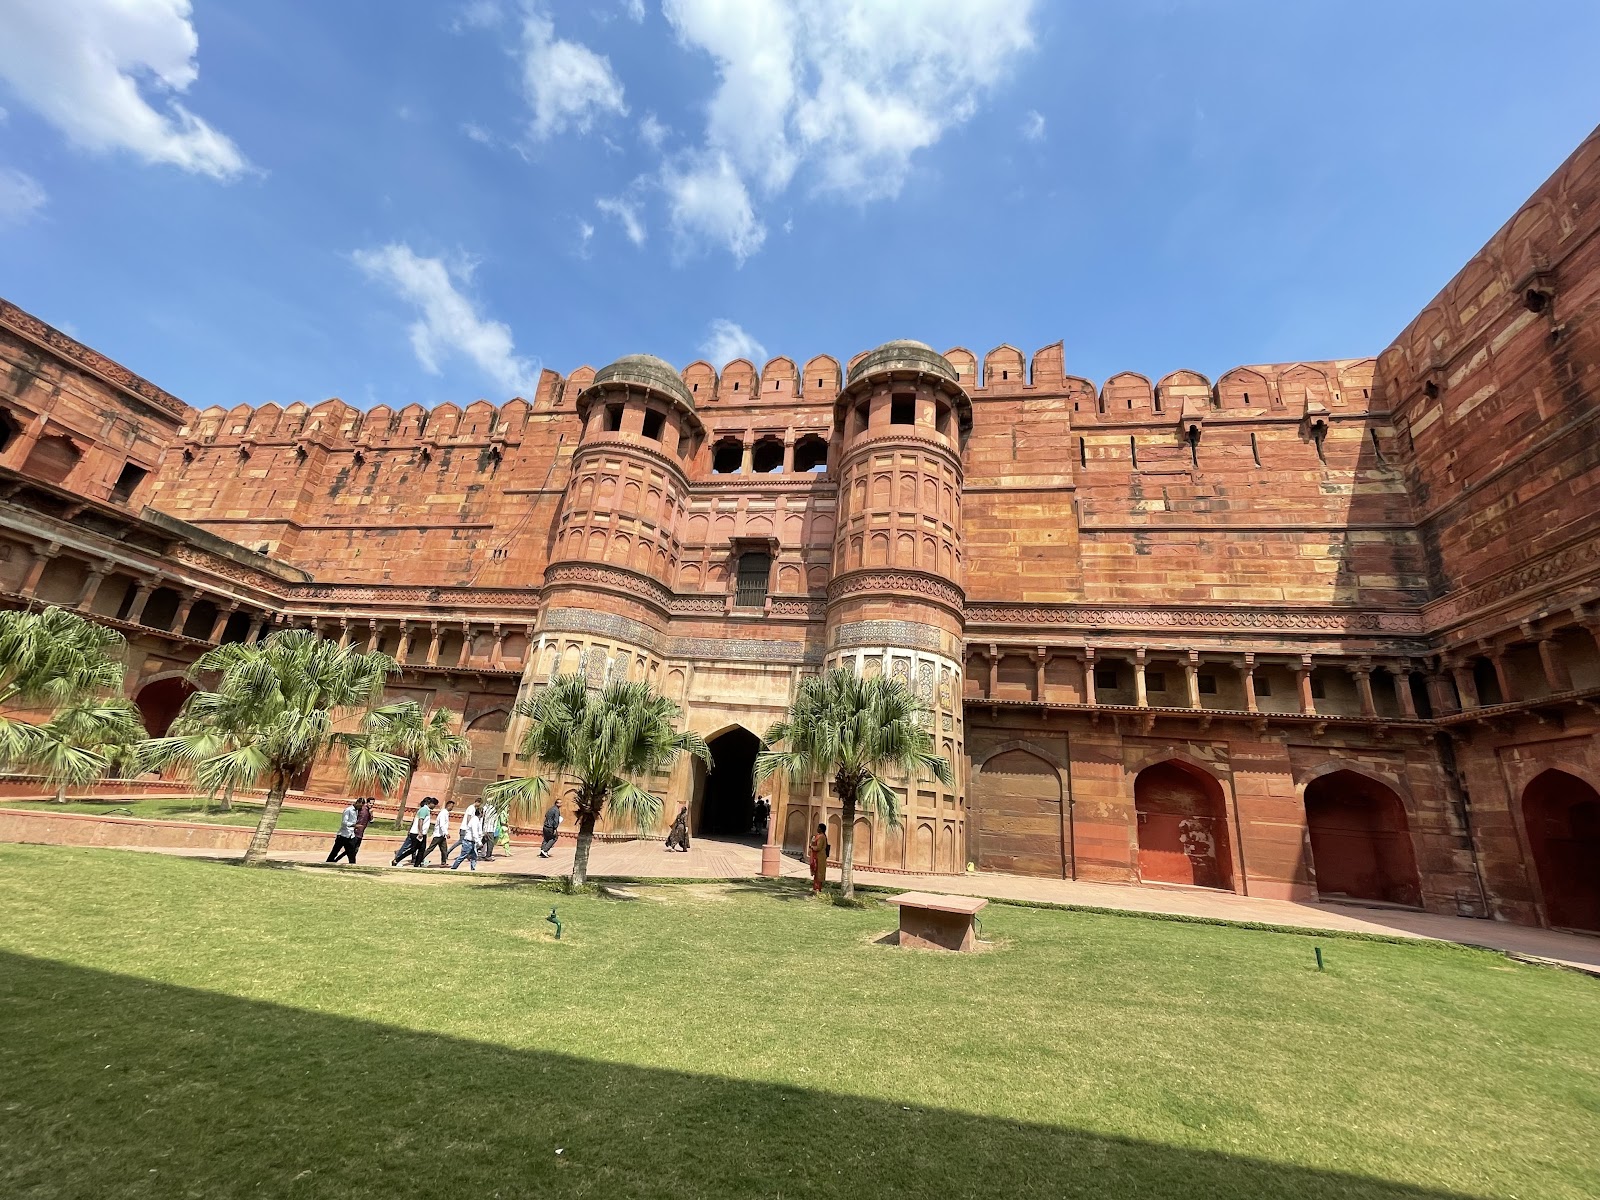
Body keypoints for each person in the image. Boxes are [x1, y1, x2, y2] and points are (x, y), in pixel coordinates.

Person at [391, 796, 432, 867]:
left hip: (419, 833)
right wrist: (419, 832)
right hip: (416, 833)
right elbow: (419, 821)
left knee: (419, 849)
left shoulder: (425, 810)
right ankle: (397, 859)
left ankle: (417, 863)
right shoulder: (423, 810)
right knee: (410, 848)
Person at [449, 803, 482, 871]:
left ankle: (473, 869)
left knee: (474, 856)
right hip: (468, 842)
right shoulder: (474, 820)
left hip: (472, 842)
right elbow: (474, 832)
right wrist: (479, 842)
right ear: (481, 813)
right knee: (463, 856)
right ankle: (453, 867)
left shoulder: (477, 820)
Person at [326, 798, 360, 864]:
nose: (360, 807)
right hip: (343, 835)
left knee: (352, 853)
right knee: (335, 852)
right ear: (357, 802)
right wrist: (353, 825)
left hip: (350, 835)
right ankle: (328, 863)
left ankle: (352, 865)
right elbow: (344, 822)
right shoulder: (348, 810)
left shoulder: (356, 811)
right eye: (360, 805)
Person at [421, 799, 454, 866]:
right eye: (452, 806)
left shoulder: (446, 813)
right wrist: (446, 833)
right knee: (431, 848)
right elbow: (442, 824)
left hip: (442, 835)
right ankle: (420, 858)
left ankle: (443, 862)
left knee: (444, 849)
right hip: (438, 835)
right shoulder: (443, 813)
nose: (452, 808)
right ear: (448, 806)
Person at [347, 797, 376, 863]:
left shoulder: (369, 811)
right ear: (367, 802)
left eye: (373, 804)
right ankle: (352, 863)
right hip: (354, 832)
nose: (371, 805)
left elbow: (371, 821)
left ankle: (351, 862)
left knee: (355, 849)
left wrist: (371, 814)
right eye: (370, 803)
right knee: (351, 849)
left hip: (360, 833)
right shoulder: (361, 808)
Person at [809, 822, 829, 895]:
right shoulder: (818, 836)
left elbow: (818, 847)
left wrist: (811, 847)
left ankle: (817, 888)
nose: (817, 829)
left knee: (819, 873)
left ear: (821, 829)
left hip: (819, 857)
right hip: (817, 856)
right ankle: (815, 887)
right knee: (816, 872)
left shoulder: (822, 837)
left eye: (818, 827)